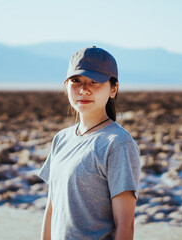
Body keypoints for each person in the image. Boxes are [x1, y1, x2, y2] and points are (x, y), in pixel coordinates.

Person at [38, 46, 140, 240]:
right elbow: (52, 211)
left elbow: (125, 226)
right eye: (76, 81)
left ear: (113, 89)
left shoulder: (118, 144)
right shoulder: (61, 139)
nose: (84, 90)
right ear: (66, 86)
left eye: (95, 82)